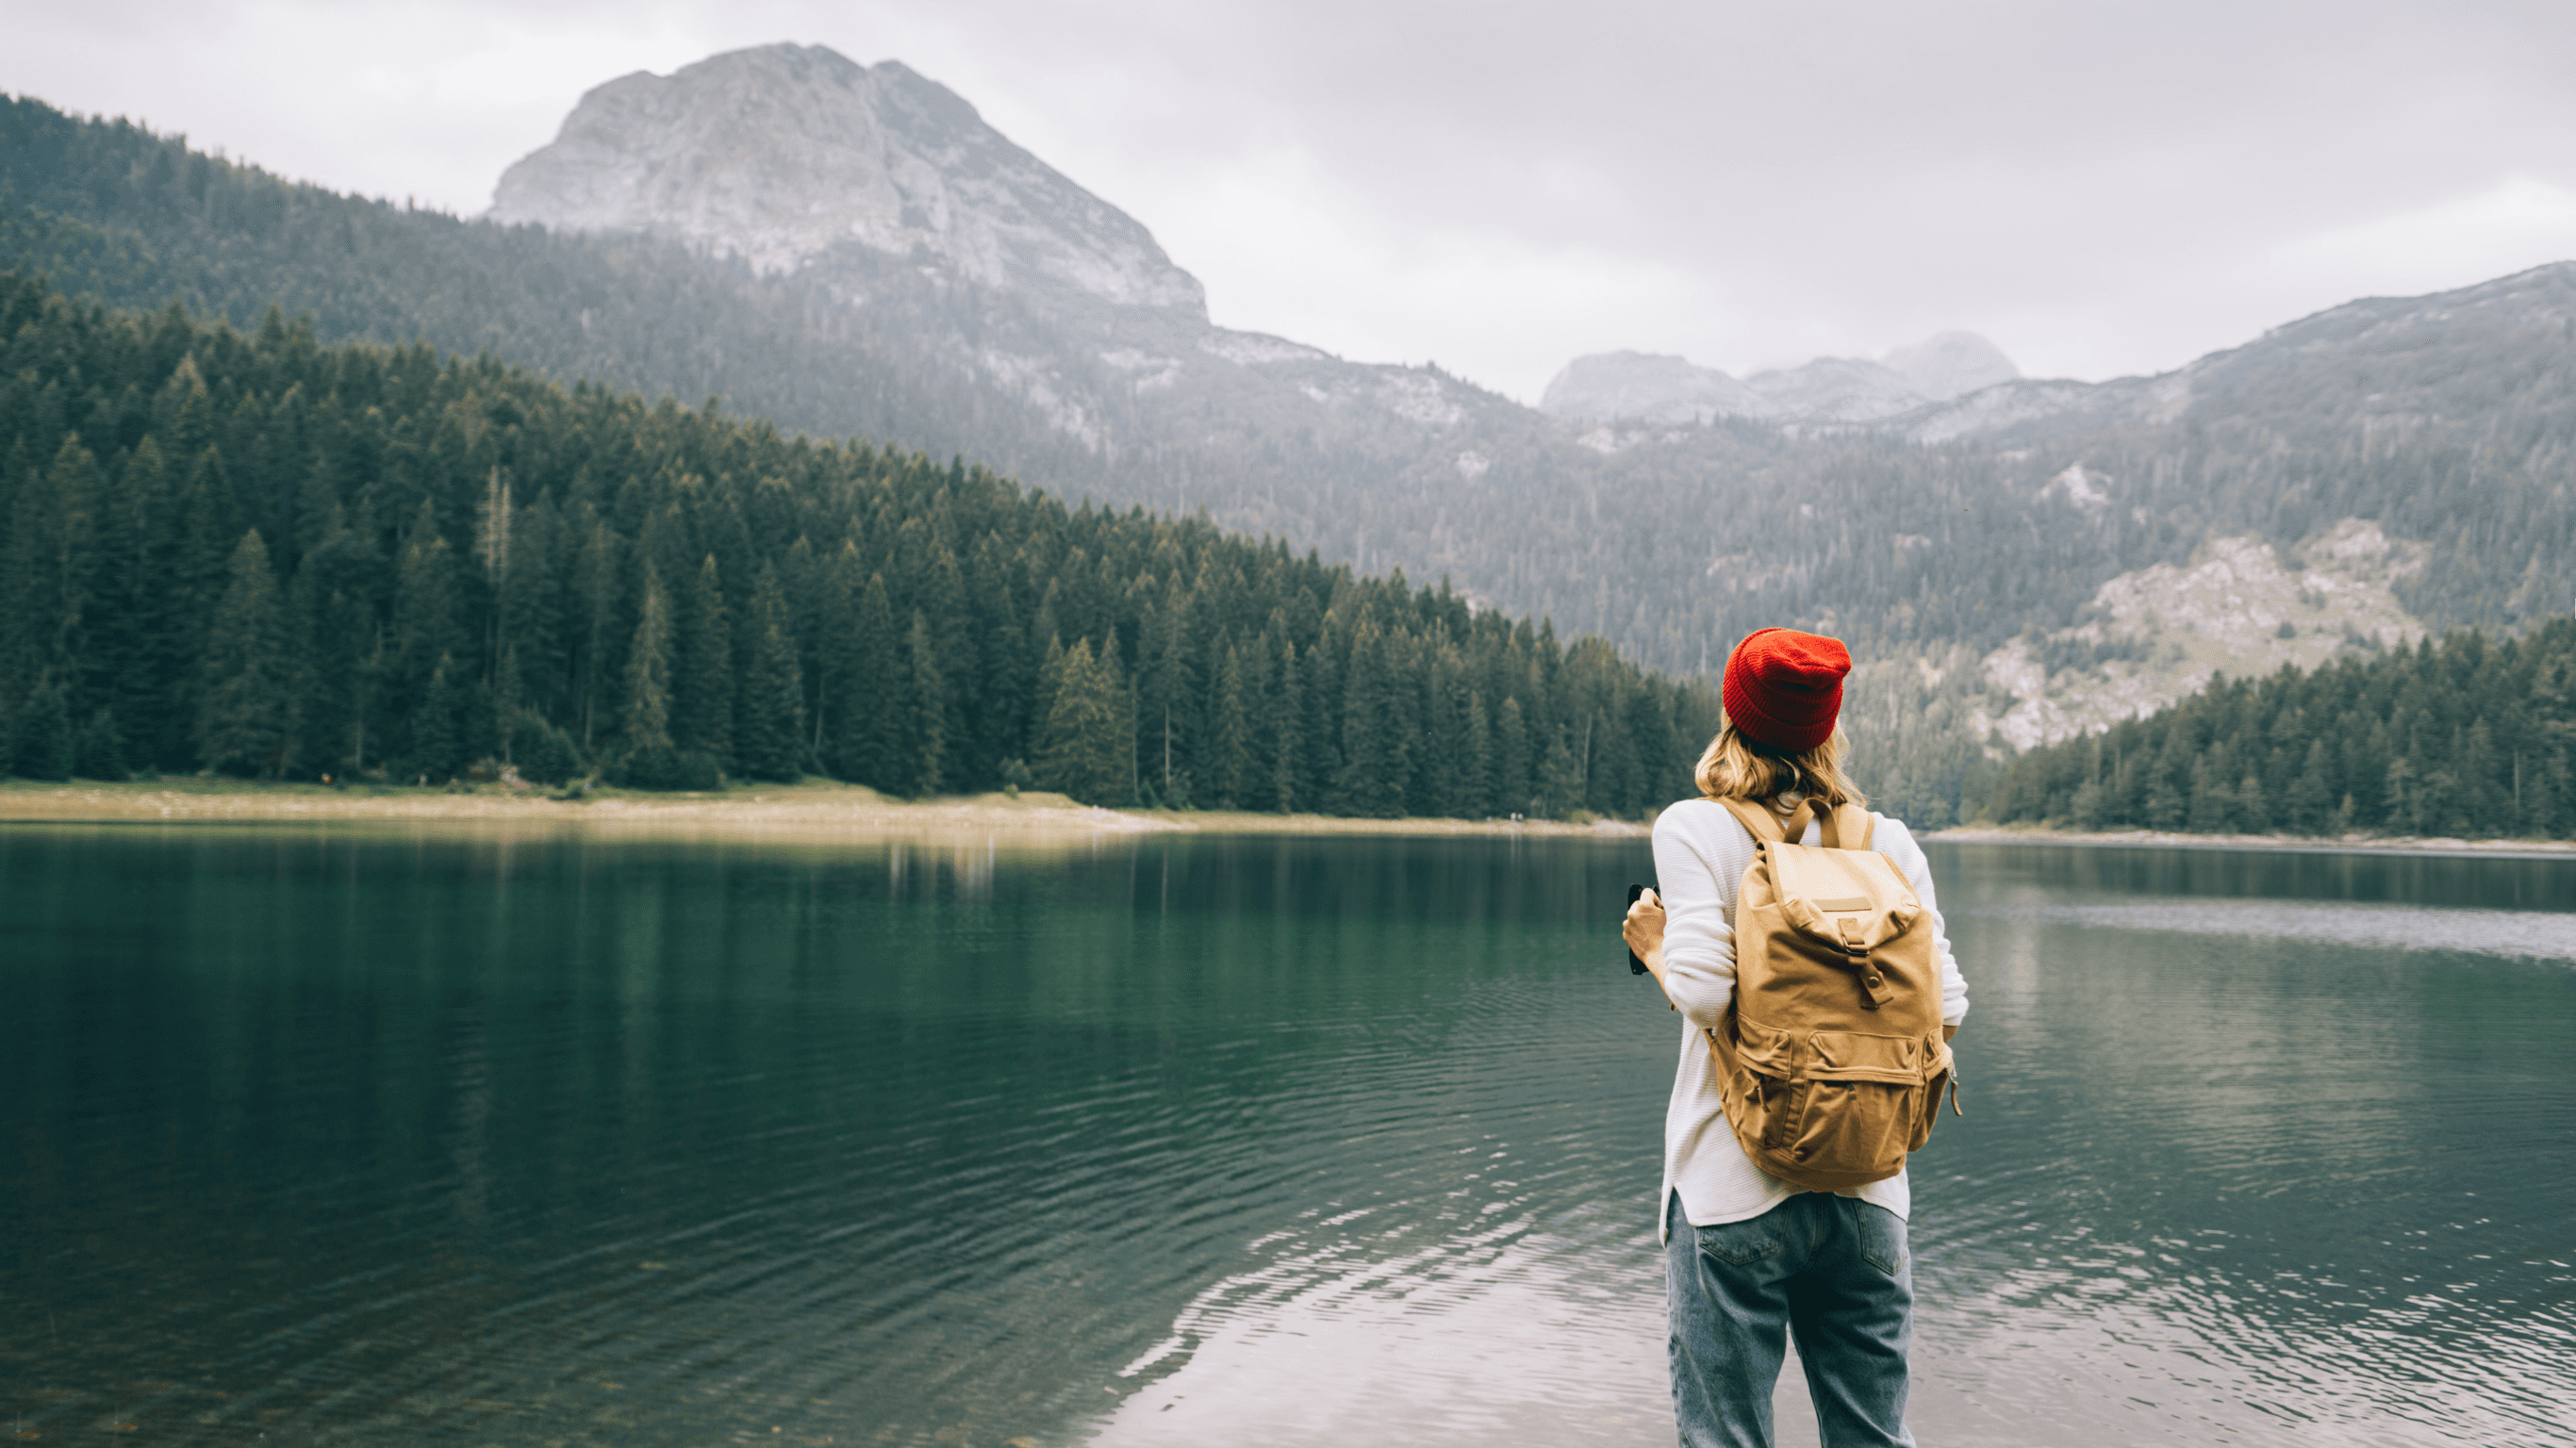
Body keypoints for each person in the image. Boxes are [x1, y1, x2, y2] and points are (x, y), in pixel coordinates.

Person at [1622, 627, 1968, 1448]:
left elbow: (1705, 994)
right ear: (1830, 727)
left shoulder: (1697, 828)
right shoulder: (1888, 842)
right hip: (1870, 1196)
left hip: (1731, 1194)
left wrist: (1654, 947)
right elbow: (1947, 1004)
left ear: (1730, 714)